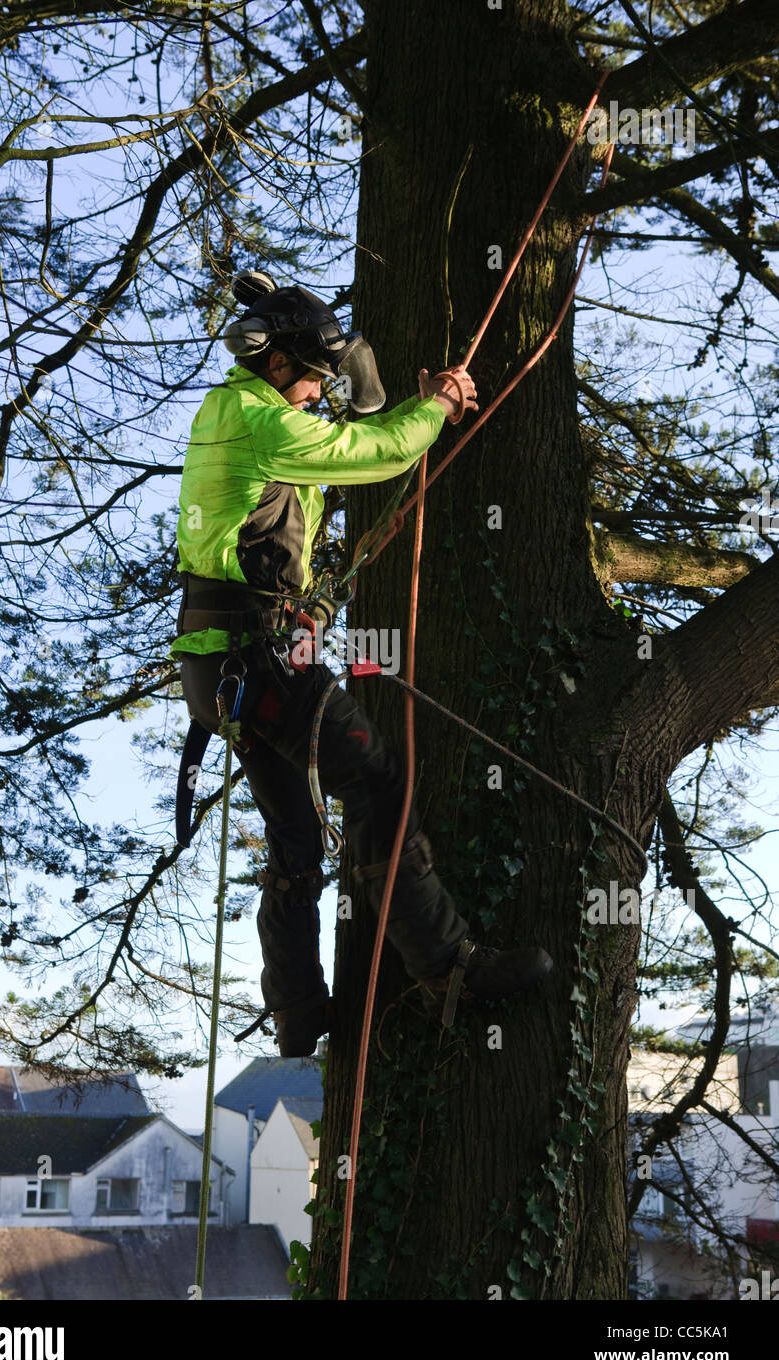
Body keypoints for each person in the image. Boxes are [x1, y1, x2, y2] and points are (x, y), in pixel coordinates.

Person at [172, 271, 552, 1057]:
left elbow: (321, 477)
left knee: (297, 838)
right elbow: (373, 452)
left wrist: (406, 407)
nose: (319, 391)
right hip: (259, 660)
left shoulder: (235, 411)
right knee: (377, 780)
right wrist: (436, 409)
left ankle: (300, 1010)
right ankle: (447, 965)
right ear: (277, 365)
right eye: (313, 376)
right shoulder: (264, 423)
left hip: (221, 669)